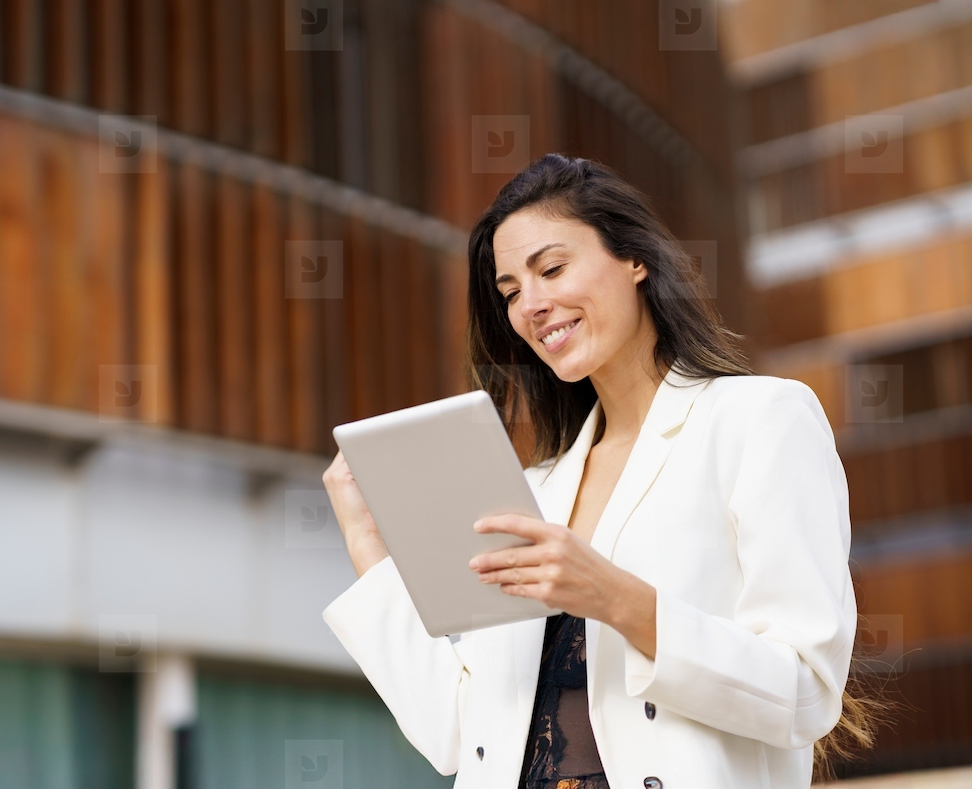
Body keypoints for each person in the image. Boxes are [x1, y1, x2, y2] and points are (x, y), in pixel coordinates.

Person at [322, 153, 884, 788]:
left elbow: (805, 692)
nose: (531, 305)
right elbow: (458, 736)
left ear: (634, 259)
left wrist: (615, 598)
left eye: (552, 268)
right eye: (510, 292)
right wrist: (369, 548)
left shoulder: (758, 420)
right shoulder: (536, 489)